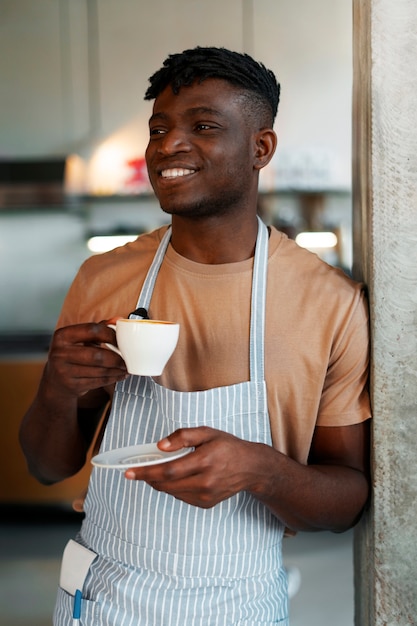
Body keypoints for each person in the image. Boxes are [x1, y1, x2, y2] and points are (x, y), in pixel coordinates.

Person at [19, 46, 371, 626]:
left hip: (242, 604)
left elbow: (346, 501)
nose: (167, 146)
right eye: (159, 129)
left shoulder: (328, 301)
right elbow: (47, 467)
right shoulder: (104, 279)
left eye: (202, 126)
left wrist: (260, 468)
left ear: (261, 148)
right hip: (103, 595)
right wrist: (58, 389)